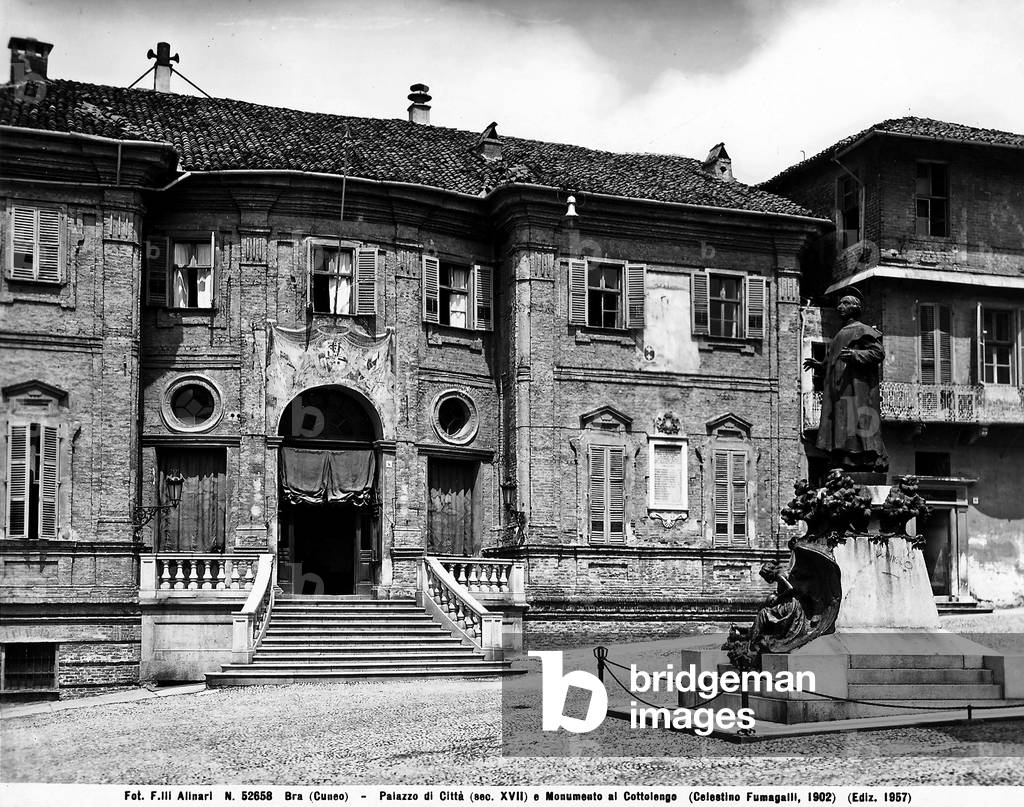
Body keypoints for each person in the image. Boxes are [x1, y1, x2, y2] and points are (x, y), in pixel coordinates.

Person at [803, 291, 889, 472]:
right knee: (842, 426)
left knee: (857, 424)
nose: (839, 307)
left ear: (854, 308)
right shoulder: (839, 335)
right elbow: (833, 361)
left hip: (856, 389)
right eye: (840, 304)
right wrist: (820, 365)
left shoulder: (862, 330)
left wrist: (856, 355)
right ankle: (845, 460)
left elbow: (878, 353)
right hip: (839, 391)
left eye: (844, 304)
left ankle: (864, 460)